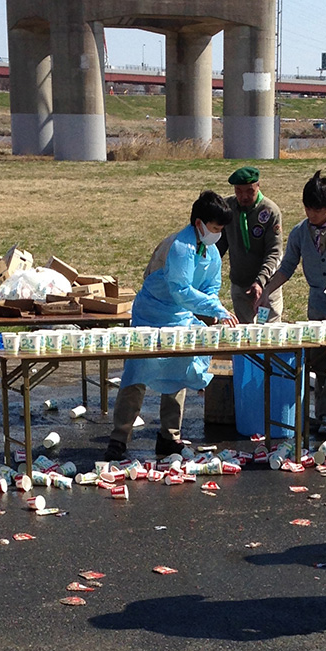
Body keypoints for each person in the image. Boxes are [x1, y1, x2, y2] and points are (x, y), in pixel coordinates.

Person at [104, 191, 238, 461]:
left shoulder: (211, 252)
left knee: (178, 371)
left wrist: (216, 310)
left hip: (179, 316)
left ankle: (169, 435)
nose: (218, 234)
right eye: (214, 228)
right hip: (151, 315)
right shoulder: (180, 246)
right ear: (199, 223)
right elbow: (180, 290)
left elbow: (211, 288)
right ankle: (119, 437)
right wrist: (214, 309)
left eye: (221, 230)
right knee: (137, 374)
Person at [257, 171, 326, 436]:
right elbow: (287, 268)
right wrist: (266, 291)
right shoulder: (299, 232)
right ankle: (317, 414)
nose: (311, 215)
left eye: (316, 210)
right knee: (317, 360)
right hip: (317, 302)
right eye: (307, 209)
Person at [217, 166, 283, 323]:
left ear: (258, 186)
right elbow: (218, 246)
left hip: (267, 285)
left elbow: (274, 252)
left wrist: (261, 281)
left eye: (249, 191)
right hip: (240, 284)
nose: (243, 196)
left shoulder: (270, 211)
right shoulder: (228, 208)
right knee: (246, 335)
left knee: (270, 333)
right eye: (238, 191)